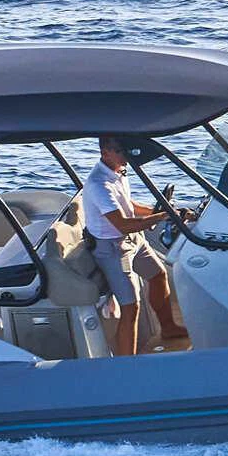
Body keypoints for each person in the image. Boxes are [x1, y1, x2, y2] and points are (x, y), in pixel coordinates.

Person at [79, 135, 184, 354]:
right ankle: (127, 363)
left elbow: (128, 205)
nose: (126, 155)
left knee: (158, 275)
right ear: (105, 152)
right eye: (120, 151)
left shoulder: (118, 171)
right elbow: (122, 225)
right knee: (131, 307)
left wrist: (158, 212)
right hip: (112, 249)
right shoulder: (99, 184)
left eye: (126, 150)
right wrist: (162, 217)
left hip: (134, 240)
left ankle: (169, 329)